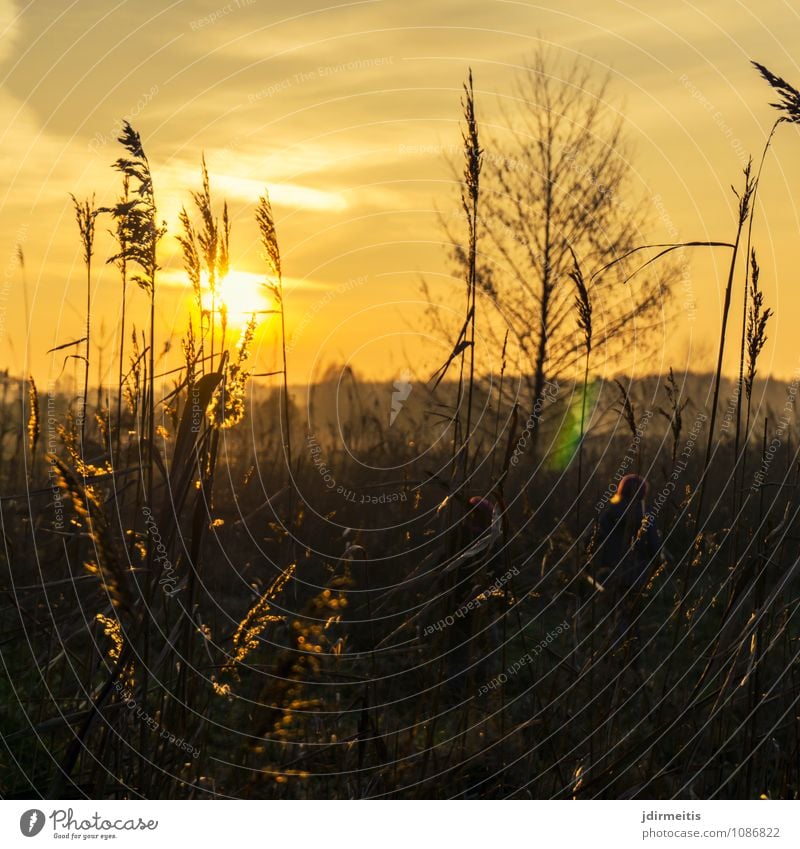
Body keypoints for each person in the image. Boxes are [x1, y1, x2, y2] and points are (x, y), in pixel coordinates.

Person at [594, 474, 661, 610]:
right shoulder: (646, 517)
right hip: (636, 576)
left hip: (609, 574)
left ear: (621, 490)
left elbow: (593, 541)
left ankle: (616, 628)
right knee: (632, 612)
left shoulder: (608, 514)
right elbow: (655, 549)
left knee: (613, 611)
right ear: (643, 494)